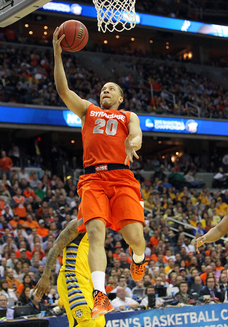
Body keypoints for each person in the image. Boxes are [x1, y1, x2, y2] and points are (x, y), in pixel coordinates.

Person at [53, 27, 147, 318]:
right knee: (95, 232)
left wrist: (132, 143)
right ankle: (100, 294)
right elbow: (63, 91)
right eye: (103, 88)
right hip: (93, 178)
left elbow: (136, 134)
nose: (105, 91)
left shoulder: (127, 115)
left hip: (121, 177)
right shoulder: (88, 111)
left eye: (111, 89)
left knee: (135, 238)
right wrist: (57, 54)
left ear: (120, 98)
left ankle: (139, 258)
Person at [34, 219, 105, 327]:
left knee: (100, 323)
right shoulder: (79, 223)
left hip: (89, 282)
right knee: (86, 321)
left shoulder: (101, 225)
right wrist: (45, 276)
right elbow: (57, 246)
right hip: (72, 277)